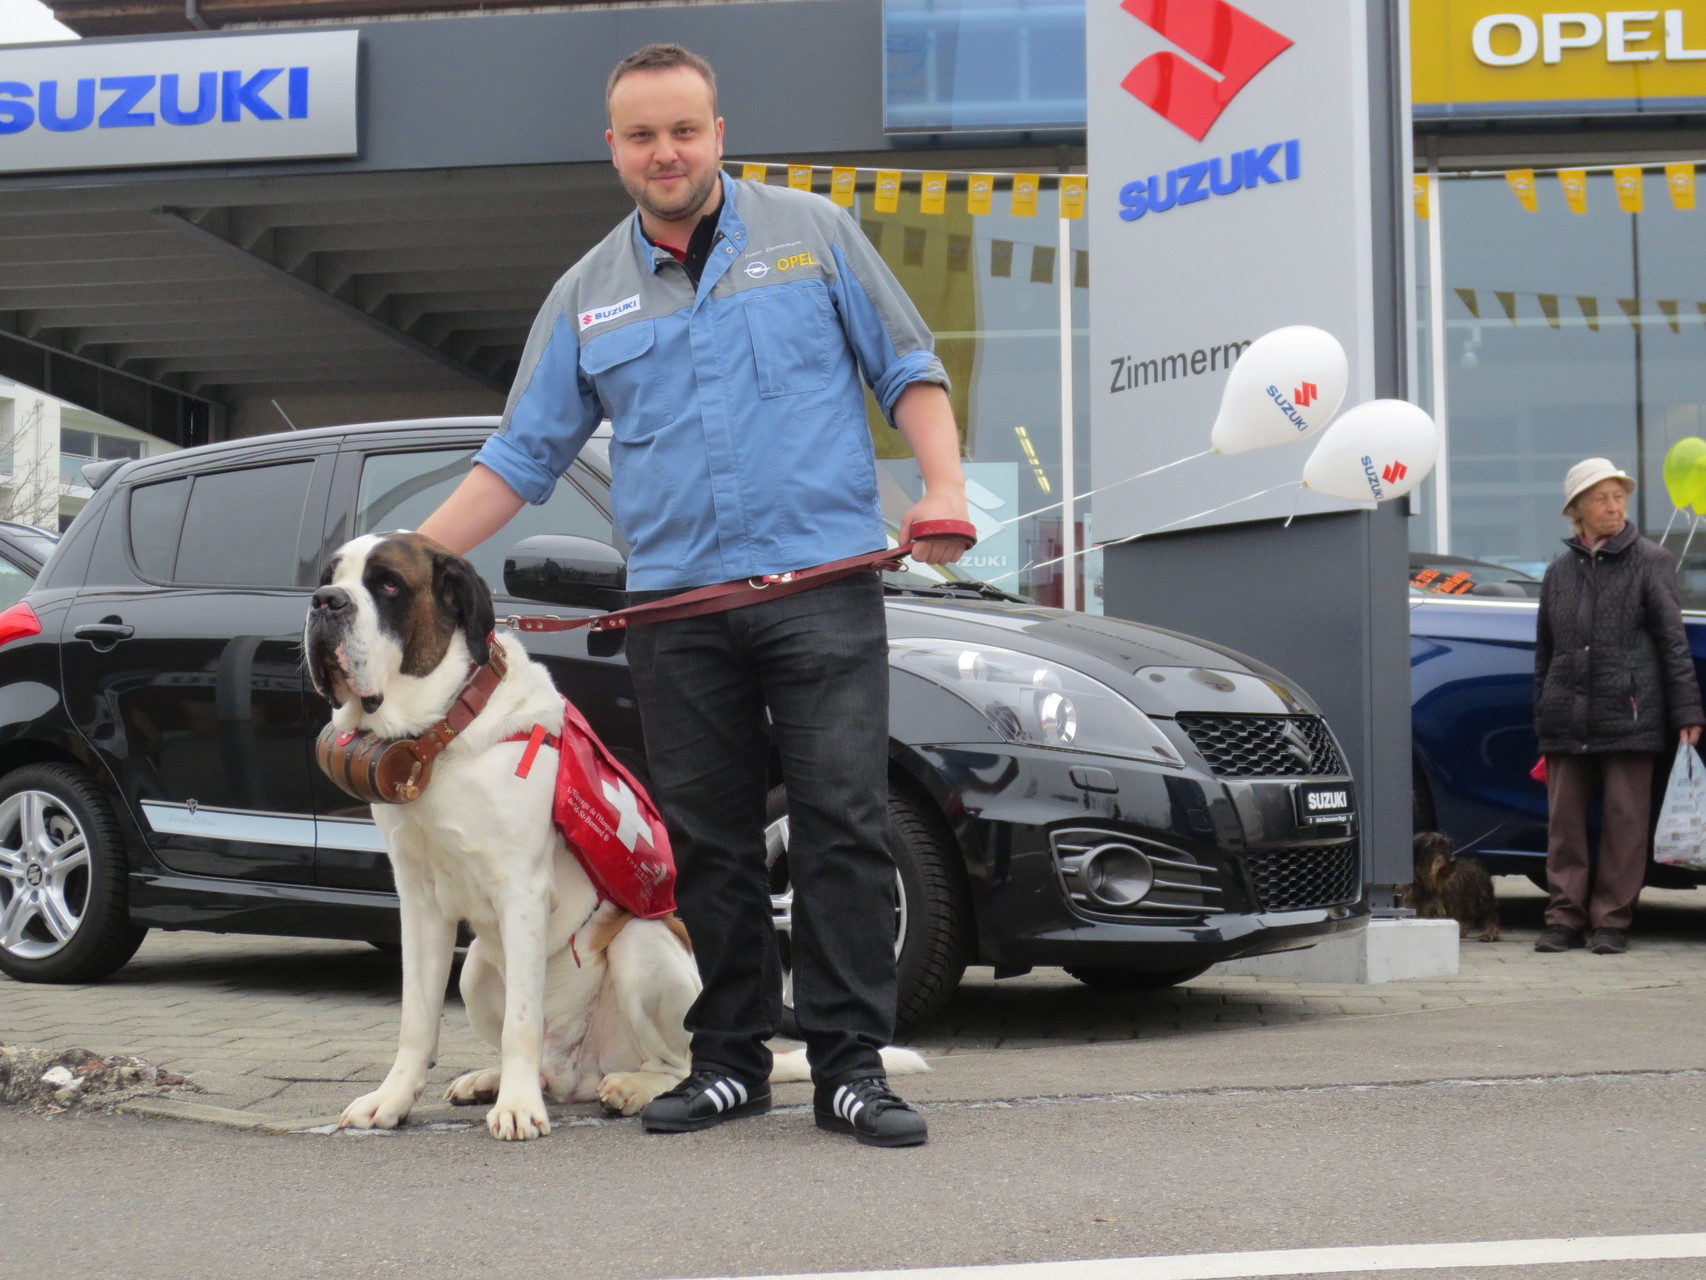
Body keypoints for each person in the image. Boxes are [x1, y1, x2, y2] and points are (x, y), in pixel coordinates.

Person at [416, 43, 968, 1147]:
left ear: (717, 133)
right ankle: (727, 1062)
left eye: (683, 129)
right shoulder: (586, 296)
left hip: (822, 591)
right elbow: (522, 456)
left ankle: (853, 1067)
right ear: (612, 147)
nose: (664, 151)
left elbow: (906, 366)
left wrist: (943, 487)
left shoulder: (812, 237)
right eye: (640, 134)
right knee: (704, 843)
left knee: (841, 827)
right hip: (678, 614)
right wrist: (407, 557)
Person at [1532, 458, 1703, 956]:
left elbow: (1672, 642)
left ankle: (1611, 920)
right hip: (1566, 714)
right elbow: (1545, 652)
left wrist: (1687, 711)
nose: (1614, 506)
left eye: (1619, 497)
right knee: (1563, 825)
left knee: (1626, 821)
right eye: (1602, 498)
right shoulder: (1558, 571)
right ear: (1577, 509)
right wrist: (1543, 713)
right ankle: (1563, 917)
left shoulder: (1651, 560)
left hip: (1631, 711)